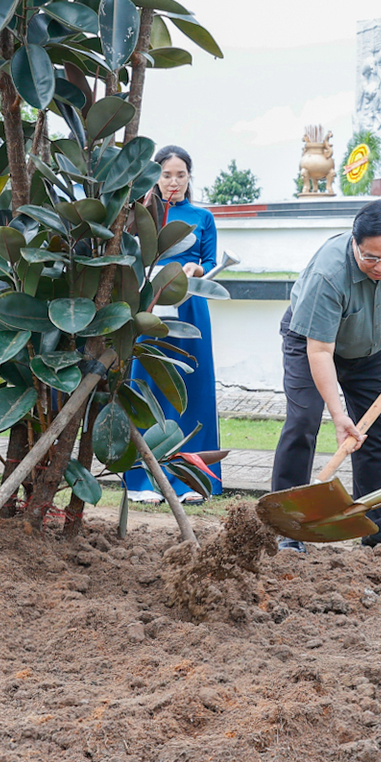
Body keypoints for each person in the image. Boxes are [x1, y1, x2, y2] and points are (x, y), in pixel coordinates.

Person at [270, 199, 381, 555]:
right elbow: (320, 352)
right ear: (355, 244)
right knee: (303, 420)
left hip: (370, 350)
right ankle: (287, 530)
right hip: (311, 342)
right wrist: (339, 414)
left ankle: (377, 528)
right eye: (370, 258)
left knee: (377, 432)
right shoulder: (329, 273)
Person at [126, 146, 221, 504]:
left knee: (192, 387)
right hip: (150, 305)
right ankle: (142, 481)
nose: (174, 182)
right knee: (145, 384)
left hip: (190, 307)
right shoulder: (140, 217)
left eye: (181, 175)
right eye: (167, 174)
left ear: (189, 178)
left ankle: (191, 480)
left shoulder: (202, 217)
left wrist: (195, 270)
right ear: (155, 177)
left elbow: (209, 262)